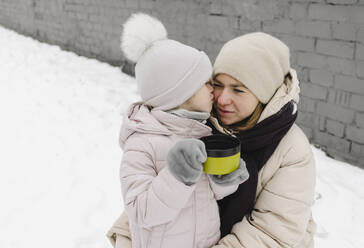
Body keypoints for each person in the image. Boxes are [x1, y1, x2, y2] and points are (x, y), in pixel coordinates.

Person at [107, 30, 316, 248]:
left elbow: (270, 235)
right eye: (217, 84)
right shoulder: (199, 125)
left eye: (238, 90)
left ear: (262, 94)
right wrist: (127, 237)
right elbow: (151, 194)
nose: (222, 99)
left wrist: (225, 182)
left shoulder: (292, 150)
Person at [116, 13, 249, 248]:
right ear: (178, 92)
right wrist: (177, 174)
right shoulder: (142, 144)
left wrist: (225, 179)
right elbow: (141, 213)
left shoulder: (201, 132)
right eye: (205, 82)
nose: (213, 89)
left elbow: (207, 195)